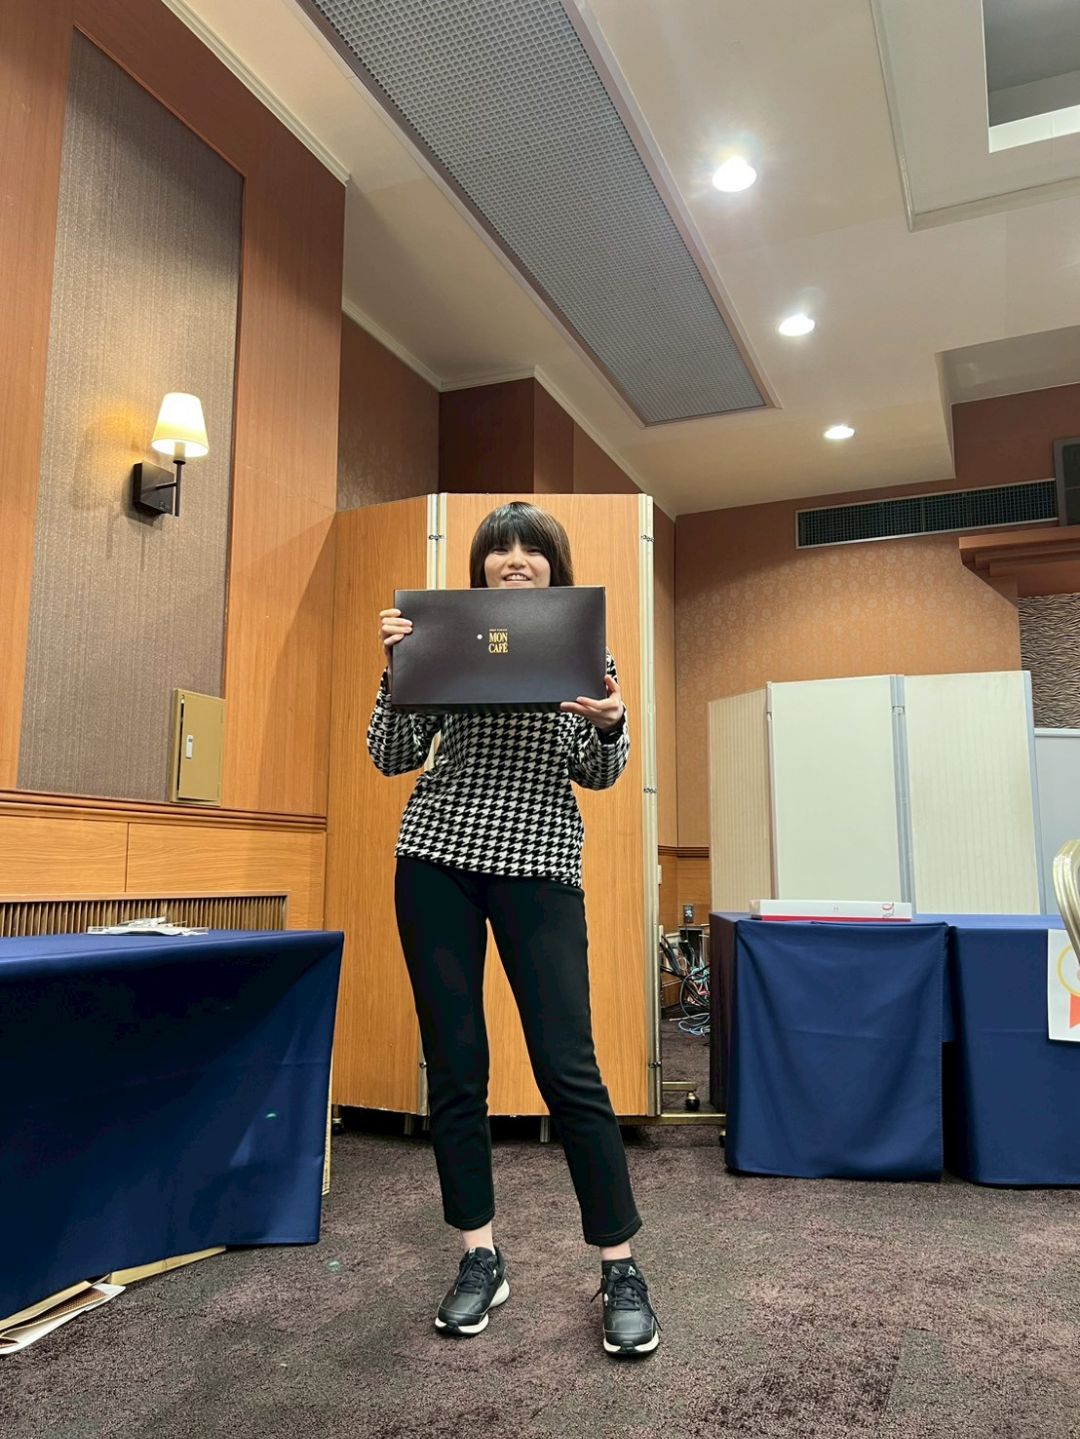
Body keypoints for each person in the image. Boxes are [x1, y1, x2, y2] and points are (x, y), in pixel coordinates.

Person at [367, 500, 659, 1359]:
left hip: (539, 862)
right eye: (500, 550)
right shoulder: (441, 636)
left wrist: (612, 723)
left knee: (569, 1067)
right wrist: (397, 670)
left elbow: (599, 772)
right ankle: (478, 1255)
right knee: (455, 1066)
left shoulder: (579, 644)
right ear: (481, 567)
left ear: (555, 567)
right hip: (436, 858)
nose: (516, 560)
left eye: (533, 549)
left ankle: (620, 1266)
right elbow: (390, 755)